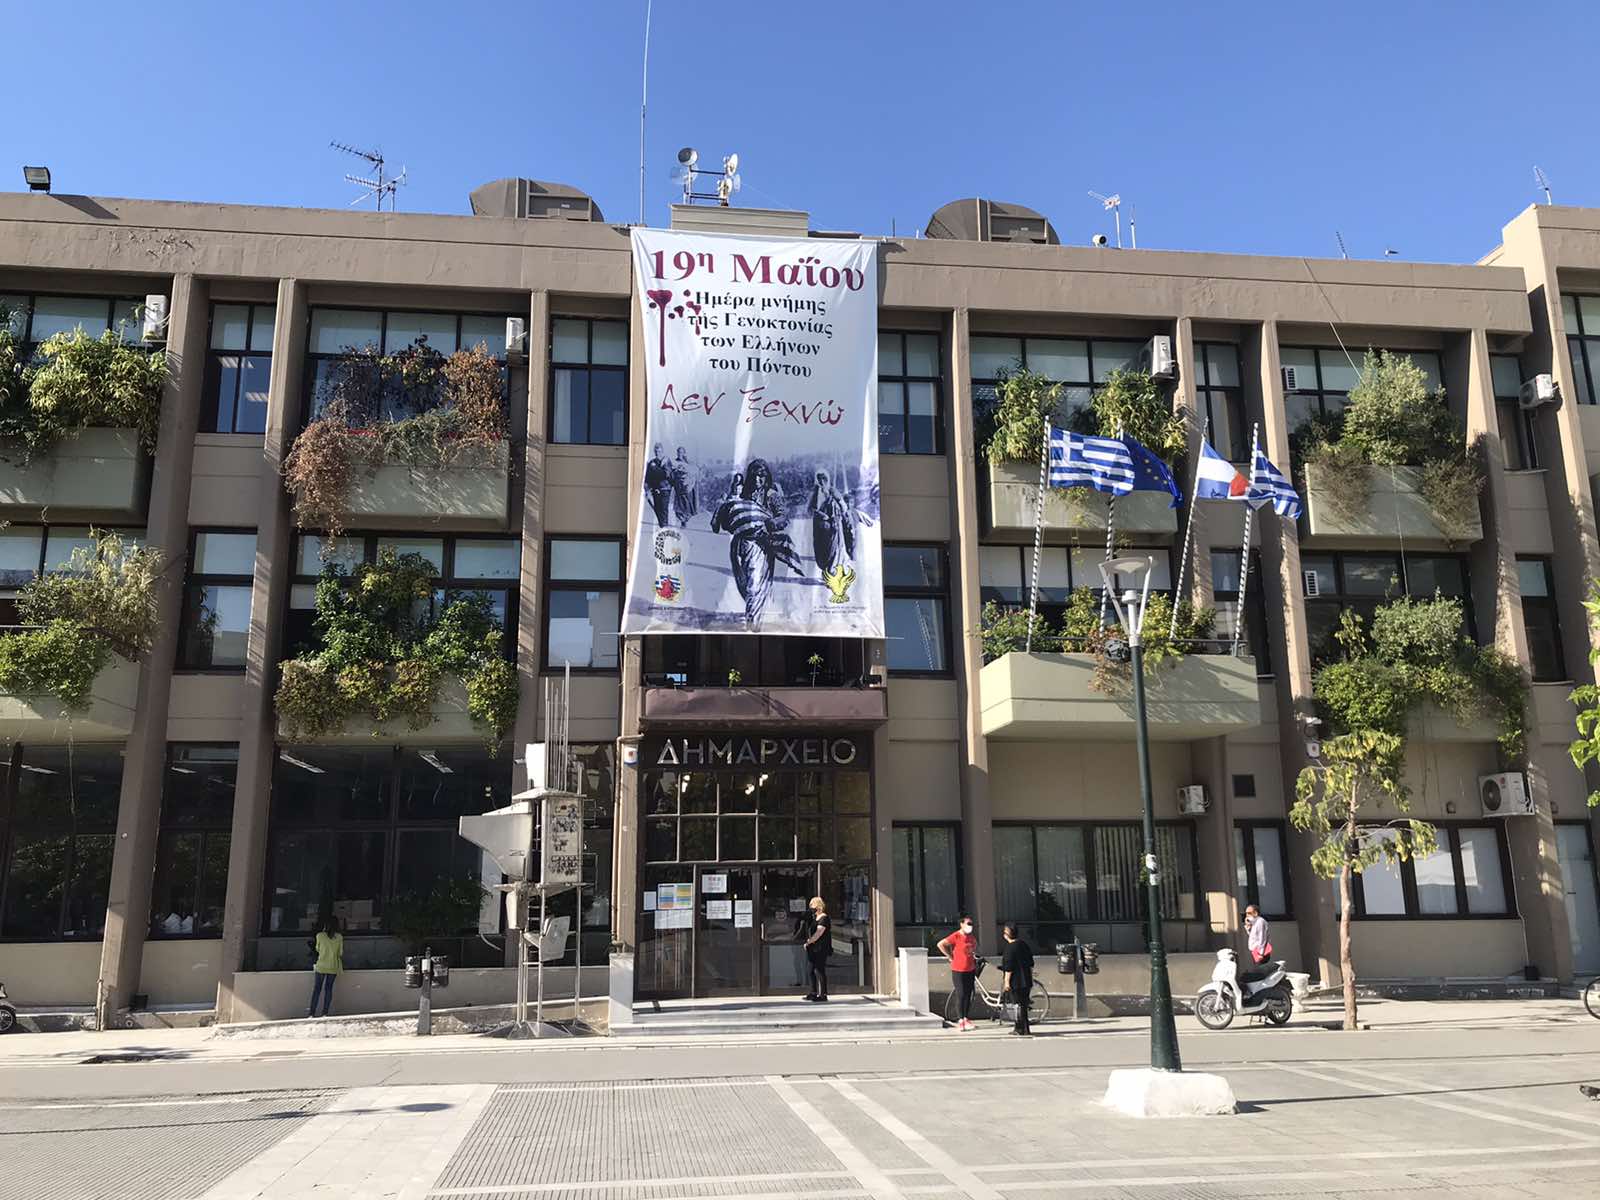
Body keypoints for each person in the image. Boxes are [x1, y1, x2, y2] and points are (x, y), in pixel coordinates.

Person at [711, 459, 801, 626]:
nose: (757, 480)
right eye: (754, 476)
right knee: (744, 584)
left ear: (766, 477)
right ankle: (754, 614)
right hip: (740, 546)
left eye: (761, 476)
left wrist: (770, 524)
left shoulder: (771, 495)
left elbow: (783, 516)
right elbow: (730, 515)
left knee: (756, 585)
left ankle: (753, 622)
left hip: (761, 545)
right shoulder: (743, 493)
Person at [807, 469, 856, 580]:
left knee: (833, 551)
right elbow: (810, 510)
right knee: (822, 551)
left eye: (824, 479)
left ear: (827, 479)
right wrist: (820, 514)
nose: (821, 481)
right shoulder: (816, 493)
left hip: (833, 528)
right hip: (820, 529)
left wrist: (837, 511)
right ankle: (827, 573)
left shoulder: (833, 491)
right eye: (819, 479)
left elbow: (844, 507)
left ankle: (832, 574)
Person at [937, 913, 979, 1031]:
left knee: (968, 994)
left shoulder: (971, 937)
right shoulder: (956, 936)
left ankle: (966, 1018)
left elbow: (974, 947)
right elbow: (941, 944)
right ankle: (960, 1019)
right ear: (961, 924)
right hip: (958, 970)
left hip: (970, 969)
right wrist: (950, 956)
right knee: (961, 994)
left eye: (971, 924)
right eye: (968, 923)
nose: (970, 926)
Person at [1000, 923, 1035, 1036]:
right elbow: (1031, 962)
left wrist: (1006, 982)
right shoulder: (1023, 945)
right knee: (1023, 1005)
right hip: (1026, 978)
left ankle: (1019, 1028)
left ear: (1007, 935)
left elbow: (1009, 967)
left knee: (1017, 1004)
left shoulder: (1009, 948)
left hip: (1016, 980)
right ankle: (1025, 1028)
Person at [308, 916, 343, 1018]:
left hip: (321, 966)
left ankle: (311, 1013)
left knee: (317, 989)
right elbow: (340, 953)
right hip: (333, 966)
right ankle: (325, 1013)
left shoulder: (320, 936)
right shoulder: (339, 937)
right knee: (328, 989)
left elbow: (317, 949)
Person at [802, 896, 830, 1002]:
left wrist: (809, 942)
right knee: (810, 970)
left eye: (812, 905)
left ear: (818, 905)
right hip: (812, 948)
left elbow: (819, 933)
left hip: (821, 948)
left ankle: (823, 994)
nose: (810, 907)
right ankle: (813, 992)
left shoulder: (824, 918)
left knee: (819, 970)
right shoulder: (814, 918)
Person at [644, 443, 675, 526]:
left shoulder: (666, 461)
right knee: (657, 508)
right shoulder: (652, 462)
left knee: (664, 508)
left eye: (659, 451)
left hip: (665, 488)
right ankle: (662, 524)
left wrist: (656, 470)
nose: (658, 453)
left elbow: (666, 474)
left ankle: (664, 525)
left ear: (662, 451)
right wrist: (647, 489)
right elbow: (648, 477)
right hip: (655, 488)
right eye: (656, 451)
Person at [670, 446, 699, 525]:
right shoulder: (675, 462)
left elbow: (694, 470)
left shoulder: (689, 462)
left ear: (684, 453)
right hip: (678, 486)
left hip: (687, 486)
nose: (680, 454)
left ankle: (685, 519)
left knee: (687, 503)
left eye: (681, 452)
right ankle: (682, 520)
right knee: (679, 504)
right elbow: (671, 472)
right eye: (678, 452)